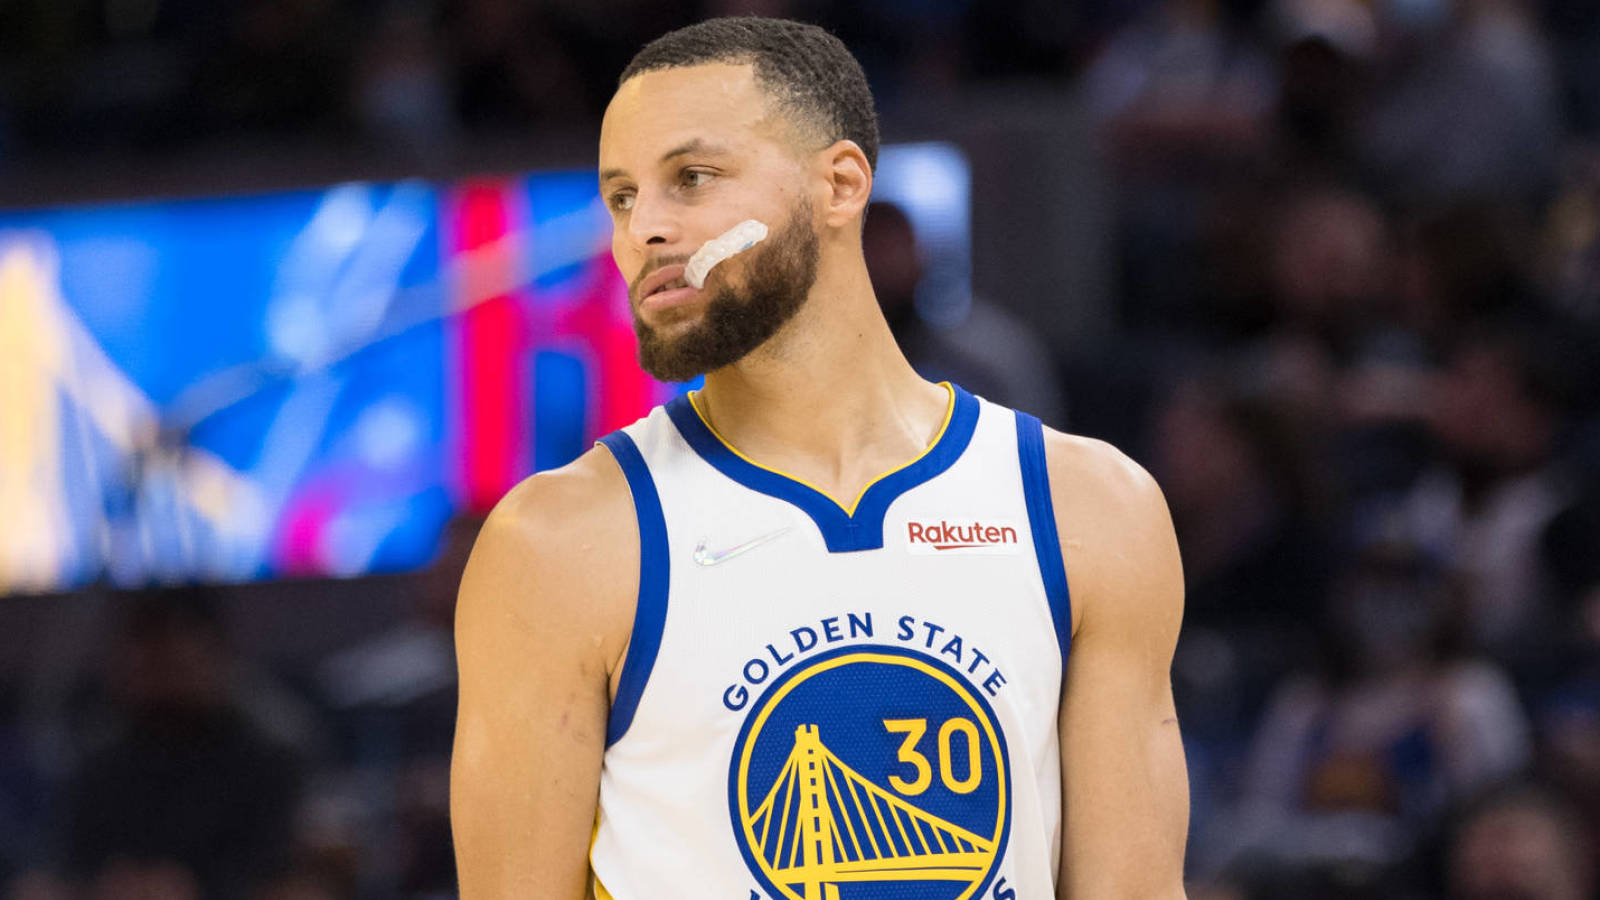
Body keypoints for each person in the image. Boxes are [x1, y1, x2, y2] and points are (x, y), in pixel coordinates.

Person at [450, 16, 1189, 900]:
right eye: (620, 196)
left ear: (839, 185)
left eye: (692, 178)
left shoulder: (1088, 509)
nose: (643, 228)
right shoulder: (556, 544)